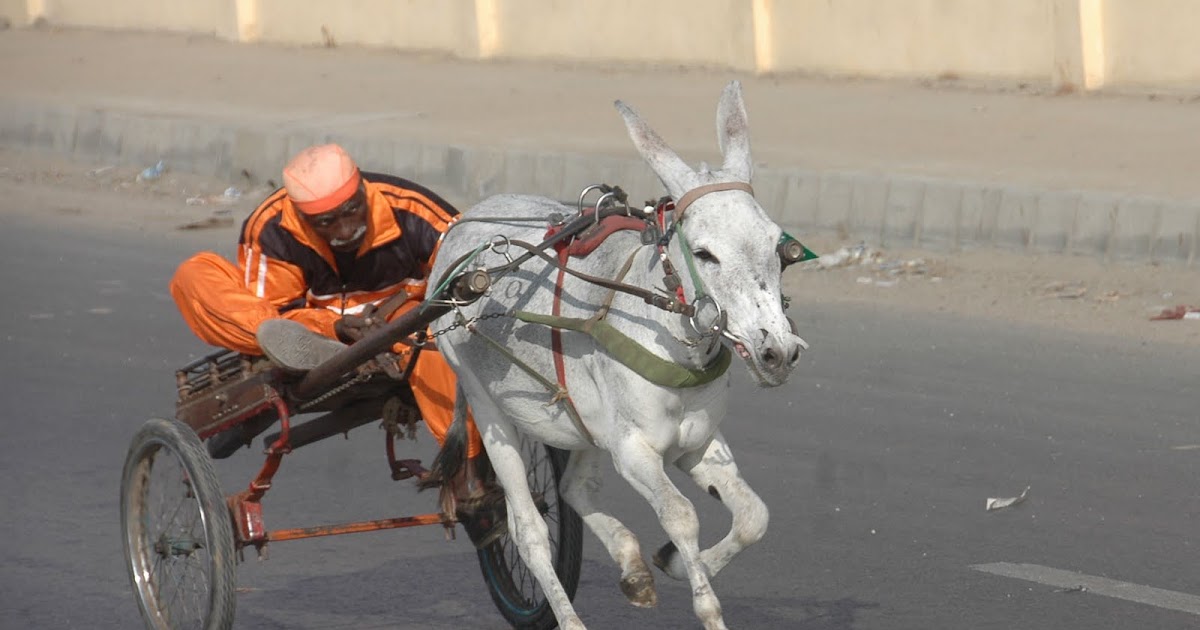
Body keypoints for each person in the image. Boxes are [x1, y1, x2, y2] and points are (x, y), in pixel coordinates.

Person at [170, 144, 500, 542]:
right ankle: (315, 347)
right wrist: (335, 328)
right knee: (196, 274)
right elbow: (275, 310)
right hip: (308, 330)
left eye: (352, 211)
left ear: (362, 188)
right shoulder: (272, 227)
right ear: (302, 216)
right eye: (327, 222)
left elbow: (469, 266)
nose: (346, 230)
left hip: (402, 323)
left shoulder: (412, 209)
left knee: (434, 337)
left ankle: (466, 474)